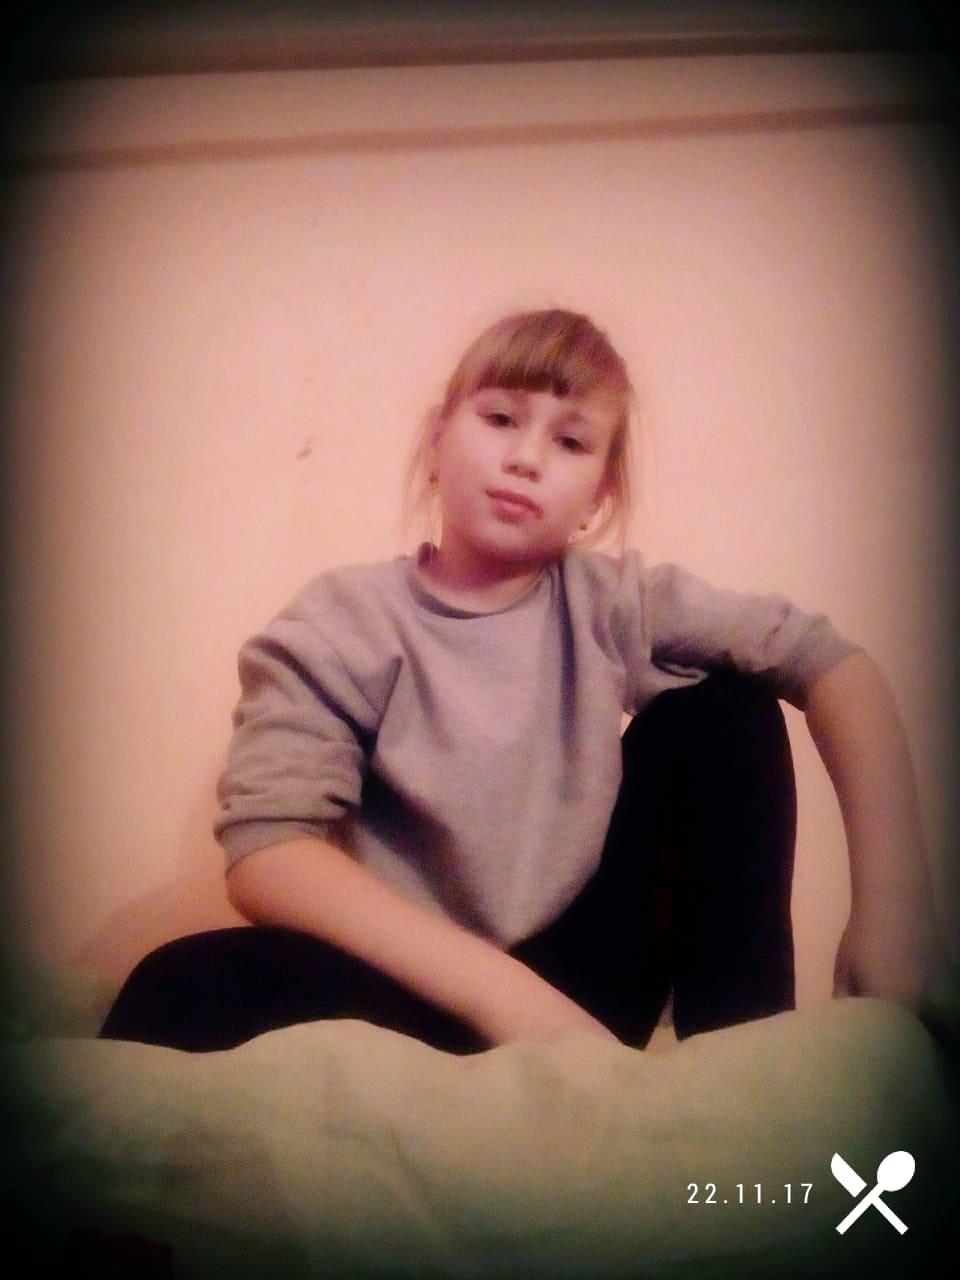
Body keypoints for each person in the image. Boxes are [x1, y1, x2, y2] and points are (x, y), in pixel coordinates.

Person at [100, 308, 945, 1056]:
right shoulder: (343, 618)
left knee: (728, 709)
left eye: (570, 442)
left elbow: (830, 662)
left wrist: (896, 916)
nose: (527, 457)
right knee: (170, 989)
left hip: (587, 985)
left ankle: (743, 1072)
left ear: (596, 501)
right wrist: (504, 997)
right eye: (500, 418)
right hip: (411, 991)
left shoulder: (611, 603)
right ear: (437, 443)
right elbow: (269, 852)